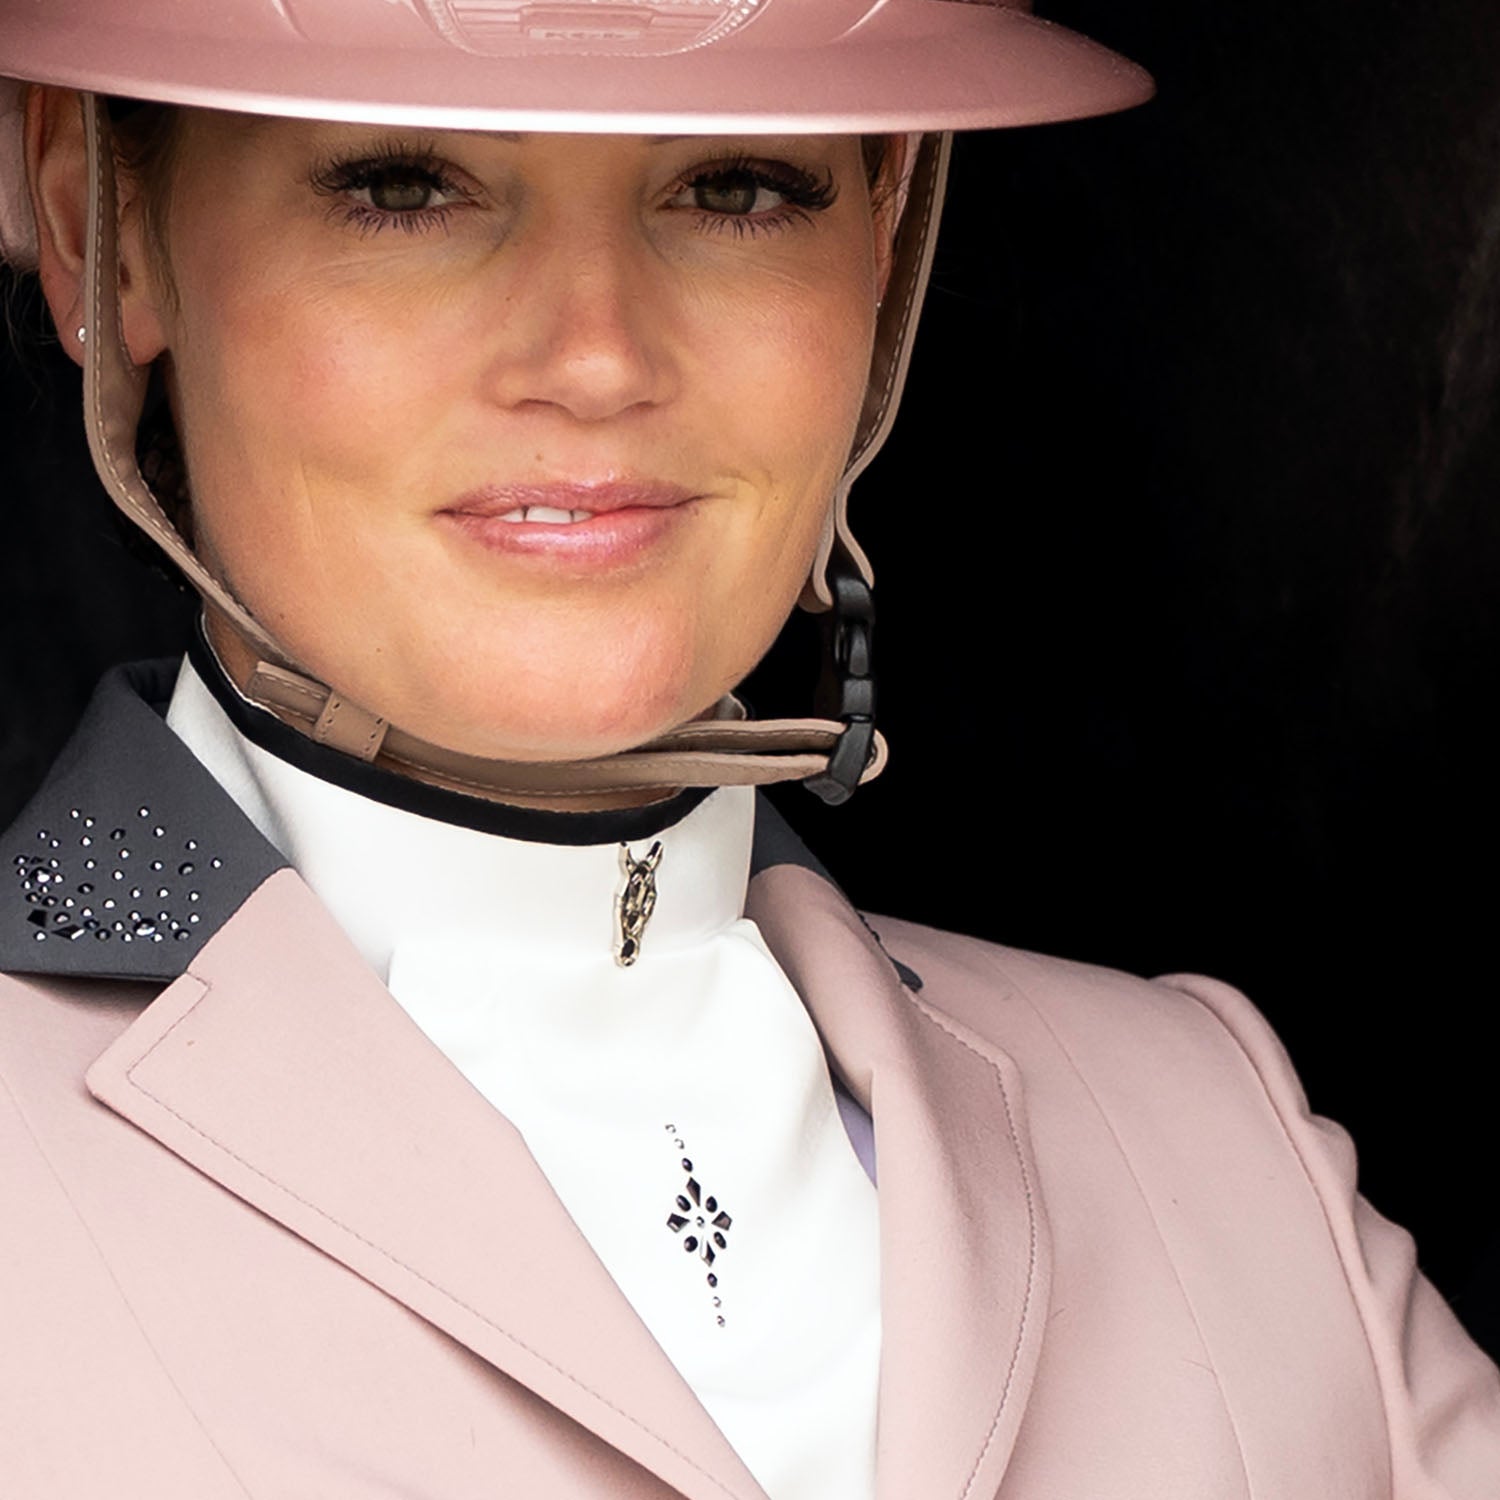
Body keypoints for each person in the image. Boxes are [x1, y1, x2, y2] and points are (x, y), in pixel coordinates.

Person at [0, 2, 1496, 1496]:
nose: (594, 357)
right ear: (103, 235)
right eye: (405, 184)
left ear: (888, 228)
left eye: (735, 186)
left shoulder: (1225, 1145)